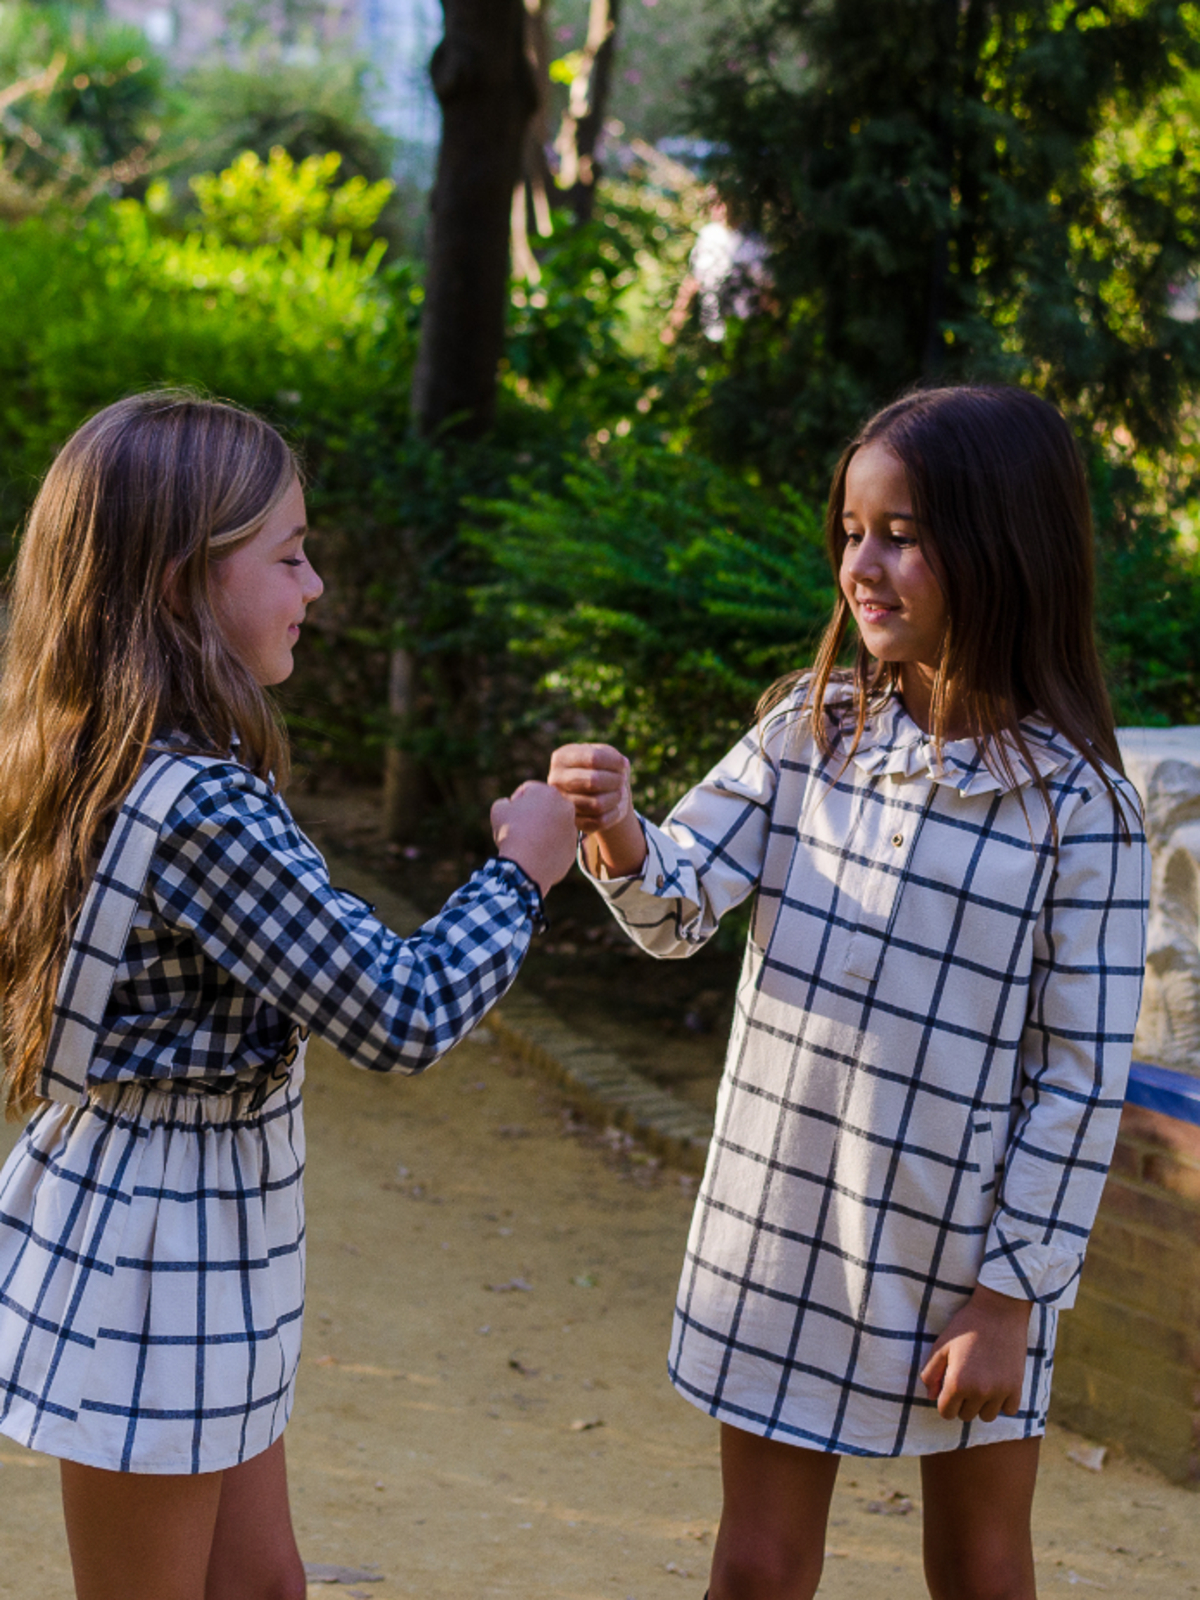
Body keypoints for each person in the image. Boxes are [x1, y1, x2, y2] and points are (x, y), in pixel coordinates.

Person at [548, 385, 1149, 1600]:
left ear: (1007, 545)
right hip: (777, 1228)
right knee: (758, 1568)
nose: (862, 568)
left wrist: (1008, 1298)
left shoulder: (1085, 815)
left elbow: (1079, 1081)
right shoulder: (801, 738)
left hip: (962, 1267)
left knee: (981, 1570)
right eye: (851, 533)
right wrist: (616, 831)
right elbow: (677, 909)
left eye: (904, 534)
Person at [0, 391, 576, 1600]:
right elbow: (399, 1010)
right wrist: (521, 870)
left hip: (202, 1223)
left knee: (263, 1585)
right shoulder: (198, 806)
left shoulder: (131, 757)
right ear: (178, 583)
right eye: (291, 556)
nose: (315, 587)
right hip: (160, 1247)